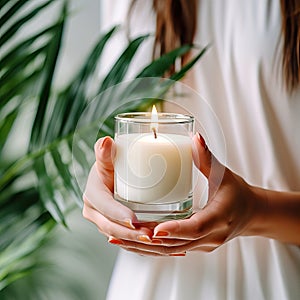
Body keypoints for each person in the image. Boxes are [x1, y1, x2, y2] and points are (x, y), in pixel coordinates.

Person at [83, 0, 300, 299]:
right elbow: (122, 134)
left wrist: (257, 210)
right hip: (147, 286)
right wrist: (105, 182)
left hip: (282, 282)